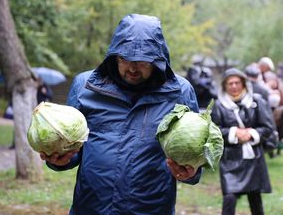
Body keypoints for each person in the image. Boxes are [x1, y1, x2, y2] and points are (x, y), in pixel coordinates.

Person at [40, 14, 202, 215]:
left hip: (151, 209)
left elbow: (194, 154)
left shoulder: (180, 91)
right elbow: (73, 149)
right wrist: (60, 160)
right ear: (114, 55)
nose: (133, 68)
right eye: (125, 59)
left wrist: (191, 172)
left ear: (157, 59)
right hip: (92, 208)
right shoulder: (85, 86)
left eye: (143, 61)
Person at [211, 68, 274, 215]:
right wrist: (234, 133)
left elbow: (268, 127)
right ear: (224, 86)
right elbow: (214, 131)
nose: (234, 86)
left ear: (244, 83)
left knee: (255, 198)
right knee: (229, 198)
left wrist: (251, 134)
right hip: (230, 160)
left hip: (253, 159)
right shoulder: (219, 105)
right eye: (230, 83)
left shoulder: (256, 101)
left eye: (237, 82)